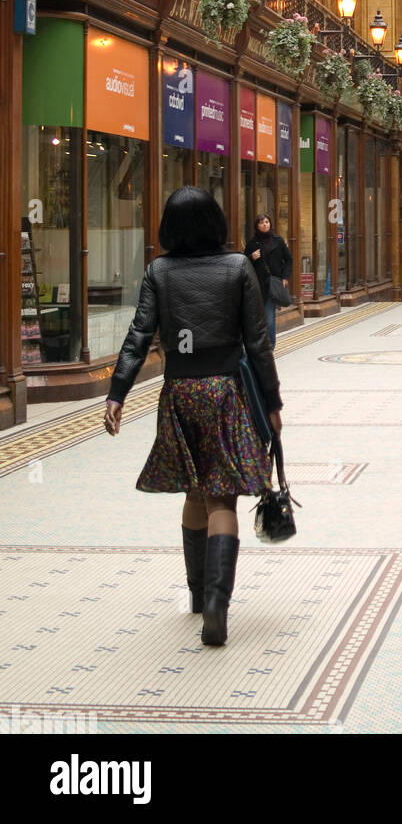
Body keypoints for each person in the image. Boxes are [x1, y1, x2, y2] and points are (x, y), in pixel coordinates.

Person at [104, 187, 282, 648]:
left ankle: (198, 596)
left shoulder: (158, 271)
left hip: (179, 393)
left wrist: (117, 393)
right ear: (216, 222)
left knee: (194, 488)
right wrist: (273, 403)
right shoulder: (238, 266)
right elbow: (258, 343)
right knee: (223, 499)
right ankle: (219, 608)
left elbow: (138, 335)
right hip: (226, 390)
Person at [244, 214, 293, 348]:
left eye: (267, 222)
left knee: (269, 314)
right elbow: (243, 263)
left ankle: (270, 344)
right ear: (257, 226)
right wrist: (251, 257)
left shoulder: (278, 240)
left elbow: (288, 260)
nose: (265, 224)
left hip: (273, 283)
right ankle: (260, 342)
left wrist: (285, 277)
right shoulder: (252, 243)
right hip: (257, 284)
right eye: (261, 223)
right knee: (258, 316)